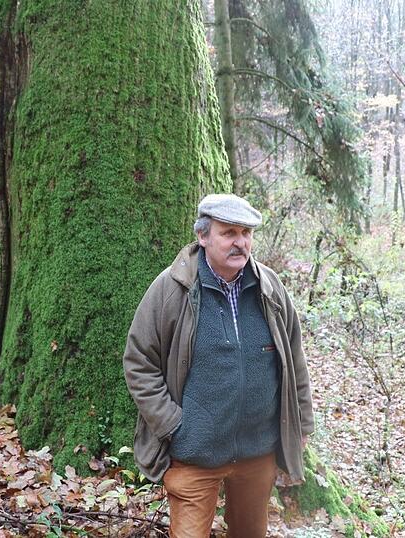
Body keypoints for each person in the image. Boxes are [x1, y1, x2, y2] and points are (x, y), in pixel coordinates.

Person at [123, 193, 314, 537]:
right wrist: (174, 425)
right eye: (229, 233)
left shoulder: (269, 287)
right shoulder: (172, 288)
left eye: (246, 233)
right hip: (194, 455)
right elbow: (139, 362)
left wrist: (300, 424)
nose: (240, 243)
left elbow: (294, 359)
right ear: (203, 235)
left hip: (258, 452)